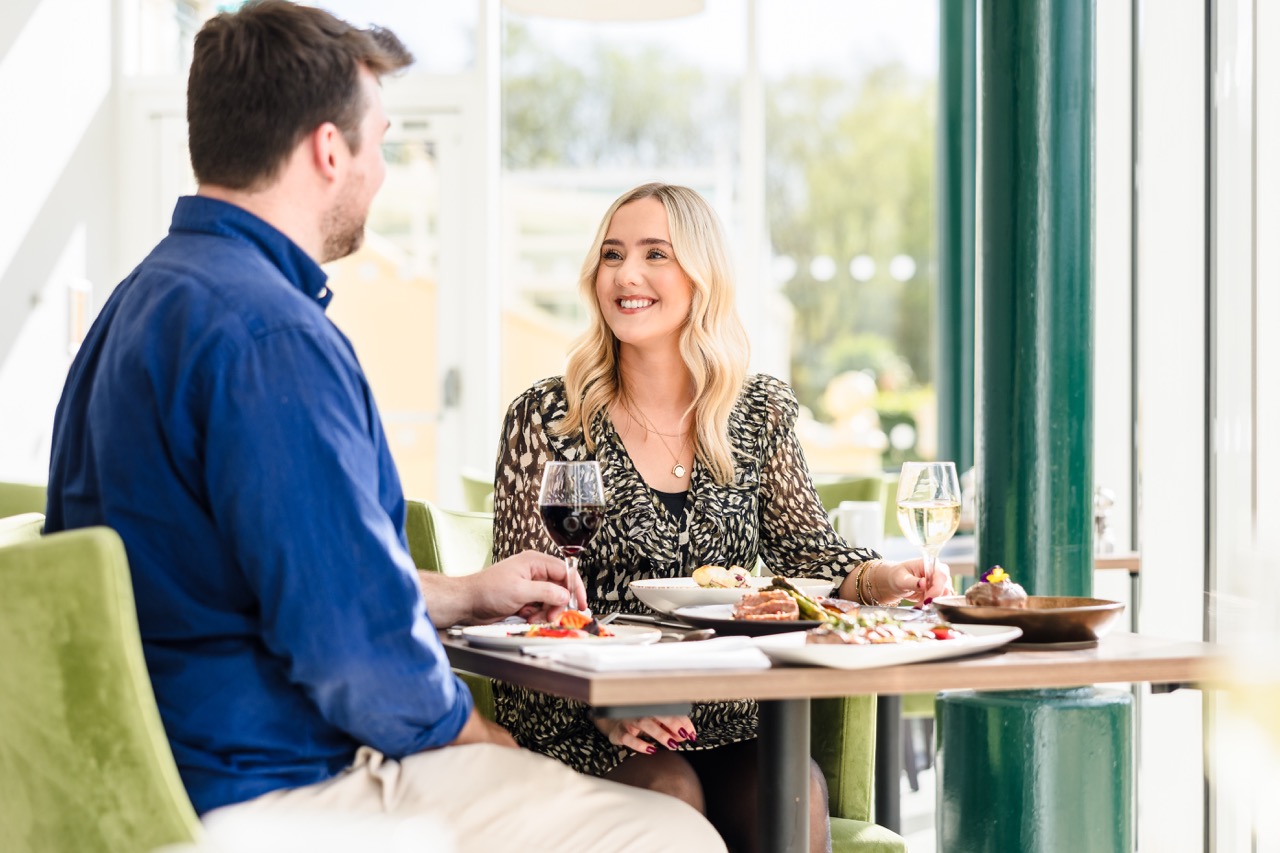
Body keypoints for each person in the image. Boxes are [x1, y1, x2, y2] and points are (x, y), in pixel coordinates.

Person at [43, 5, 724, 852]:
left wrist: (465, 592)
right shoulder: (272, 335)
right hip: (270, 787)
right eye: (382, 143)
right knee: (670, 831)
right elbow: (352, 649)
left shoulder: (140, 303)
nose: (382, 171)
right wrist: (476, 735)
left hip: (155, 775)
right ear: (332, 150)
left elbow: (267, 575)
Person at [491, 182, 952, 853]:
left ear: (701, 277)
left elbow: (812, 560)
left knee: (796, 791)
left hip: (724, 712)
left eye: (656, 254)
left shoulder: (758, 412)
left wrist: (889, 579)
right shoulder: (550, 417)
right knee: (671, 793)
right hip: (587, 713)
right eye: (613, 255)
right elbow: (525, 606)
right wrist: (605, 700)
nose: (627, 275)